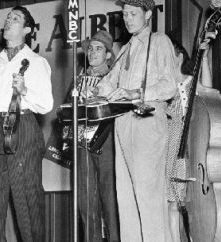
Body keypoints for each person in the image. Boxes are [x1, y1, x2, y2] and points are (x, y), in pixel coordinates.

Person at [84, 0, 179, 240]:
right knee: (125, 198)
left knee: (148, 196)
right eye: (124, 13)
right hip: (123, 123)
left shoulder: (159, 41)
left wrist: (135, 93)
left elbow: (169, 86)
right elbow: (108, 83)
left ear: (148, 14)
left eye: (132, 13)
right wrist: (94, 92)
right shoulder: (125, 48)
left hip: (148, 122)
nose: (127, 18)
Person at [0, 5, 53, 242]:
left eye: (15, 19)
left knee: (27, 201)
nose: (8, 21)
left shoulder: (36, 61)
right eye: (7, 18)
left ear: (27, 29)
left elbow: (46, 104)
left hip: (23, 127)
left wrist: (24, 90)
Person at [165, 32, 215, 242]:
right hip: (168, 149)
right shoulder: (163, 87)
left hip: (189, 151)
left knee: (191, 203)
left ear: (178, 57)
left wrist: (203, 58)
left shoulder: (190, 83)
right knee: (172, 203)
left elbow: (209, 91)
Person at [75, 30, 120, 242]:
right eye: (90, 48)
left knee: (110, 199)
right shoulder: (78, 78)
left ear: (109, 55)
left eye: (98, 48)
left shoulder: (114, 78)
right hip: (82, 142)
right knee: (86, 199)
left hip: (107, 140)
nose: (92, 52)